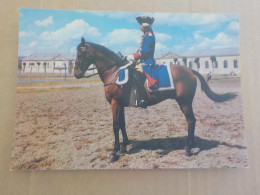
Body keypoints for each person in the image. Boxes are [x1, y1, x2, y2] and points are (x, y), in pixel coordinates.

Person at [127, 15, 156, 108]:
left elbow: (145, 51)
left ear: (145, 26)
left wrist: (135, 56)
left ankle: (143, 99)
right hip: (142, 61)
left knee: (138, 76)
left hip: (146, 62)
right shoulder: (146, 35)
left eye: (141, 25)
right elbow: (140, 50)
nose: (140, 27)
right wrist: (132, 55)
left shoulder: (149, 36)